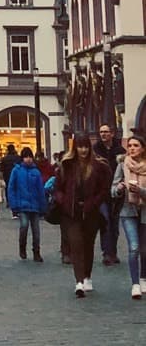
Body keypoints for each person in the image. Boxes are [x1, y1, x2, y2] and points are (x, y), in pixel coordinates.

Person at [54, 132, 112, 297]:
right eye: (80, 146)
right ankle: (79, 281)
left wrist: (93, 203)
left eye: (86, 146)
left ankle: (87, 276)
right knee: (76, 244)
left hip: (90, 212)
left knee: (88, 245)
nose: (83, 150)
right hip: (70, 213)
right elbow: (57, 188)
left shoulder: (98, 166)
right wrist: (63, 201)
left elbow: (104, 189)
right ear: (75, 147)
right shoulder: (66, 165)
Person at [110, 132, 146, 299]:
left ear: (143, 149)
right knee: (133, 247)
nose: (132, 148)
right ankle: (135, 284)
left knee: (144, 249)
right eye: (129, 146)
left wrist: (140, 190)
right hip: (128, 210)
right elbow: (113, 189)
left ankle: (143, 277)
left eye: (135, 146)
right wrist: (119, 189)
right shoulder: (122, 164)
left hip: (145, 210)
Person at [7, 147, 46, 262]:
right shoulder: (17, 170)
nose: (28, 159)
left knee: (36, 231)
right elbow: (11, 188)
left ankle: (36, 252)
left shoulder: (36, 172)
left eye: (30, 157)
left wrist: (43, 207)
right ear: (22, 158)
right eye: (26, 157)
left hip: (35, 206)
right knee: (24, 226)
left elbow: (40, 190)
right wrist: (14, 205)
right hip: (22, 205)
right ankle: (22, 247)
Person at [94, 123, 125, 265]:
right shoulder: (96, 150)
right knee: (105, 221)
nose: (103, 134)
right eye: (101, 132)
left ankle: (113, 252)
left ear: (112, 133)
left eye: (106, 132)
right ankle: (106, 253)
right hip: (101, 192)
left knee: (114, 224)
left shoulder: (120, 150)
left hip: (117, 193)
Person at [0, 143, 21, 217]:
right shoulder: (18, 157)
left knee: (9, 190)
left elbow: (1, 168)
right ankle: (18, 206)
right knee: (17, 190)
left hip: (7, 176)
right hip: (17, 176)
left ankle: (10, 203)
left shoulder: (5, 158)